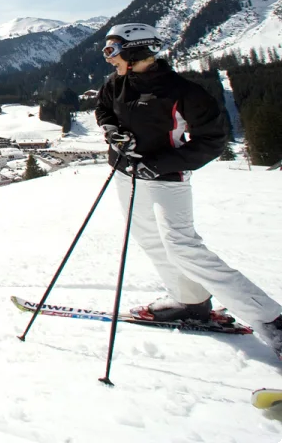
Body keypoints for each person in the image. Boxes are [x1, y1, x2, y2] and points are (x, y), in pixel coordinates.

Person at [95, 22, 282, 360]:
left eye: (113, 50)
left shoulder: (184, 92)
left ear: (136, 50)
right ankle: (190, 301)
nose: (108, 58)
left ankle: (272, 320)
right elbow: (104, 109)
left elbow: (212, 140)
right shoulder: (116, 84)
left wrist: (163, 163)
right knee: (147, 236)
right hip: (126, 173)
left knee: (182, 246)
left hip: (168, 179)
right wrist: (112, 131)